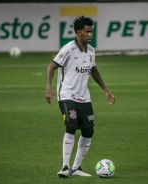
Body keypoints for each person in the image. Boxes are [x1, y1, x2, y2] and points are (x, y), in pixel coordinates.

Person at [45, 16, 115, 178]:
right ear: (78, 32)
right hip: (67, 95)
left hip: (84, 97)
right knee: (71, 126)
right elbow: (51, 67)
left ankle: (76, 168)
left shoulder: (91, 51)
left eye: (91, 31)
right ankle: (65, 167)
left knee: (88, 130)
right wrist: (48, 87)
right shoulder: (68, 49)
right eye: (87, 31)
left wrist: (106, 90)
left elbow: (94, 71)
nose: (90, 34)